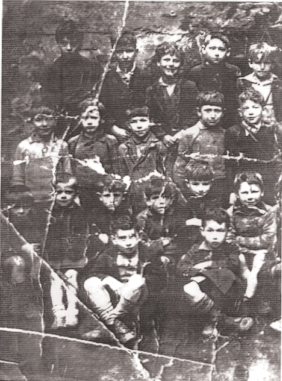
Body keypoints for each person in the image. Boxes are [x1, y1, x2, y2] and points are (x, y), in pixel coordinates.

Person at [81, 216, 167, 347]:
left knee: (136, 280)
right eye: (122, 238)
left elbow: (160, 279)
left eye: (132, 237)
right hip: (117, 296)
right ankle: (118, 327)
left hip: (140, 297)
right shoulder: (108, 255)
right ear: (114, 240)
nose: (128, 243)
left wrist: (143, 281)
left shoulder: (148, 253)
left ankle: (109, 322)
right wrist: (109, 280)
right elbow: (93, 273)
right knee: (91, 282)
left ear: (138, 236)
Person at [177, 207, 254, 339]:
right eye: (210, 230)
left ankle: (219, 320)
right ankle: (218, 319)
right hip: (207, 297)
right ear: (202, 231)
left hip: (228, 294)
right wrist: (199, 270)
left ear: (227, 231)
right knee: (189, 288)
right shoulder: (195, 250)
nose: (215, 236)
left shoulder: (231, 249)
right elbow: (181, 268)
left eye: (220, 231)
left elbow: (232, 264)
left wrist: (208, 265)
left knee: (223, 273)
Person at [226, 172, 277, 313]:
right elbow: (229, 238)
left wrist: (240, 239)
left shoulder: (268, 212)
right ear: (237, 194)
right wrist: (246, 248)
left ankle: (260, 301)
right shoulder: (231, 213)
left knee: (264, 266)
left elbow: (267, 239)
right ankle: (238, 304)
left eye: (254, 192)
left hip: (262, 253)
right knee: (235, 263)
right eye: (244, 192)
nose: (250, 196)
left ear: (262, 192)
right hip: (240, 253)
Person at [145, 42, 199, 175]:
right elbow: (151, 117)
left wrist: (183, 132)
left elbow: (195, 112)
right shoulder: (152, 90)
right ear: (158, 62)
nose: (171, 64)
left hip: (185, 136)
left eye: (175, 61)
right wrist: (163, 135)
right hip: (163, 138)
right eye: (166, 60)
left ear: (180, 64)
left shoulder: (189, 86)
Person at [42, 20, 102, 137]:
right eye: (64, 43)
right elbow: (50, 100)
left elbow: (97, 95)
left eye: (73, 43)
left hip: (88, 121)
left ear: (79, 43)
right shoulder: (51, 70)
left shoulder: (92, 67)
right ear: (58, 43)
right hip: (61, 122)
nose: (69, 48)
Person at [43, 173, 89, 329]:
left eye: (68, 192)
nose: (63, 196)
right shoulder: (49, 212)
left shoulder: (79, 212)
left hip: (73, 255)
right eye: (59, 192)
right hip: (55, 254)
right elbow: (46, 235)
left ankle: (72, 311)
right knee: (55, 278)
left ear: (75, 194)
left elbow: (82, 235)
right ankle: (58, 312)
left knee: (71, 276)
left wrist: (76, 251)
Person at [225, 88, 282, 205]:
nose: (251, 112)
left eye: (255, 107)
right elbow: (230, 164)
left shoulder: (273, 131)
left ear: (263, 109)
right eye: (246, 108)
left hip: (268, 183)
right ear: (240, 112)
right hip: (243, 185)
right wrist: (232, 190)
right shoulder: (233, 132)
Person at [173, 91, 228, 206]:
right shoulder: (189, 134)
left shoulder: (225, 134)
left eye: (217, 111)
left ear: (223, 113)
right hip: (195, 187)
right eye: (208, 110)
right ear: (199, 112)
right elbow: (180, 167)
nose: (213, 115)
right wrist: (185, 193)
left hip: (219, 188)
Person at [11, 103, 71, 208]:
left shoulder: (61, 145)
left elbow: (67, 174)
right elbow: (18, 177)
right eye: (39, 120)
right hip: (30, 202)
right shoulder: (24, 146)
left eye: (49, 119)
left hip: (54, 201)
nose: (44, 124)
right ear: (32, 122)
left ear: (55, 121)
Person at [68, 98, 119, 211]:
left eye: (94, 118)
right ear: (80, 119)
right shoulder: (73, 142)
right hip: (82, 192)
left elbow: (116, 168)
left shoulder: (110, 141)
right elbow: (70, 169)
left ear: (101, 120)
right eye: (85, 118)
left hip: (105, 192)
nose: (90, 122)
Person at [100, 30, 151, 143]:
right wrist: (114, 129)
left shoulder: (146, 77)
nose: (125, 56)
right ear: (113, 53)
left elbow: (152, 107)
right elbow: (102, 108)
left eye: (129, 51)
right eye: (120, 52)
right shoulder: (106, 78)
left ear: (136, 52)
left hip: (143, 132)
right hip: (116, 134)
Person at [186, 32, 241, 128]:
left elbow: (236, 98)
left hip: (229, 121)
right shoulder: (195, 72)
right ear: (203, 49)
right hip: (205, 120)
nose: (216, 53)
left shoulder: (233, 71)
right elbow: (191, 101)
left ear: (228, 52)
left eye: (221, 49)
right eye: (212, 48)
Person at [136, 177, 187, 269]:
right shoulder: (142, 218)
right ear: (148, 201)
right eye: (156, 198)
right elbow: (142, 246)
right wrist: (161, 243)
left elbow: (181, 242)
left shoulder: (176, 217)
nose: (162, 202)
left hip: (174, 257)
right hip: (151, 259)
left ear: (171, 200)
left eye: (165, 197)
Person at [237, 42, 282, 123]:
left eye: (266, 63)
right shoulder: (243, 82)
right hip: (250, 127)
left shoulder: (278, 84)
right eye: (257, 63)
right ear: (250, 63)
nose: (262, 67)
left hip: (273, 127)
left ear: (272, 64)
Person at [87, 174, 132, 255]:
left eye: (116, 195)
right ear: (100, 197)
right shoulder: (94, 214)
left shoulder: (127, 214)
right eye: (107, 196)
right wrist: (98, 236)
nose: (112, 200)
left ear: (123, 197)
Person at [181, 161, 220, 250]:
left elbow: (218, 219)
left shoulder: (214, 200)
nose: (201, 189)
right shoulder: (184, 201)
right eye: (195, 184)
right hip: (189, 241)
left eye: (205, 184)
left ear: (211, 183)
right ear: (187, 183)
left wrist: (200, 222)